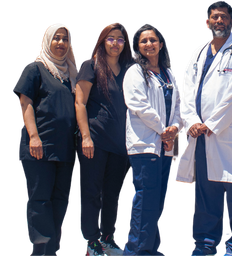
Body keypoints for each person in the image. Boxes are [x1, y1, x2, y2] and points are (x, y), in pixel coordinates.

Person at [176, 1, 232, 255]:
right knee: (206, 195)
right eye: (214, 17)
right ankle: (206, 244)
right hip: (201, 136)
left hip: (228, 133)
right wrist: (190, 122)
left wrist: (212, 124)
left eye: (224, 17)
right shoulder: (197, 52)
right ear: (207, 22)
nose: (219, 20)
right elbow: (186, 91)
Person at [13, 22, 78, 256]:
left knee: (60, 199)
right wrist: (33, 136)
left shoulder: (71, 74)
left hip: (65, 150)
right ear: (47, 40)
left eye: (65, 39)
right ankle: (40, 250)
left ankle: (52, 249)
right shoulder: (36, 68)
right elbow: (25, 103)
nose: (61, 43)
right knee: (40, 198)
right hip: (39, 147)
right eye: (56, 38)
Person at [122, 23, 181, 256]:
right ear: (137, 47)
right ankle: (136, 249)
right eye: (143, 41)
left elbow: (178, 106)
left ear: (161, 43)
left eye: (153, 40)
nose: (149, 44)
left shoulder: (168, 73)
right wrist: (163, 129)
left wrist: (174, 128)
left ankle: (151, 247)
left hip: (165, 147)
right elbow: (138, 105)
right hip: (144, 145)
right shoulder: (135, 72)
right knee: (145, 198)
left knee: (157, 200)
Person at [75, 21, 132, 256]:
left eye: (120, 39)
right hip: (95, 141)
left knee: (112, 194)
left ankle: (108, 239)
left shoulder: (129, 70)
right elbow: (79, 102)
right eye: (111, 38)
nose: (115, 43)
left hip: (120, 144)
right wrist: (86, 137)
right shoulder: (91, 66)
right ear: (102, 41)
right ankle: (91, 241)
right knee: (91, 192)